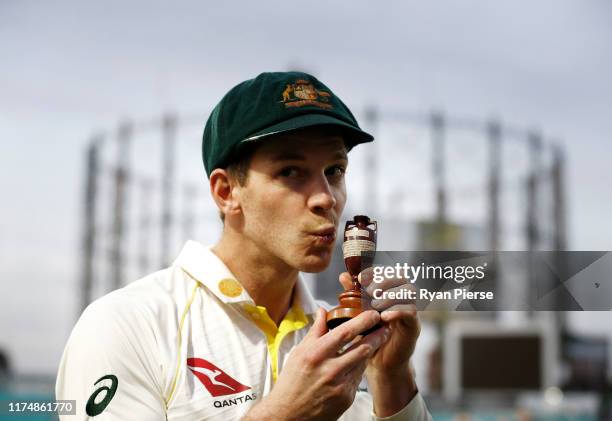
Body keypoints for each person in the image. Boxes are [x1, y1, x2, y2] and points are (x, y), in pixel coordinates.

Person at [56, 71, 431, 420]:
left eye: (334, 170)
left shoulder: (344, 335)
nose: (325, 198)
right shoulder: (130, 324)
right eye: (290, 172)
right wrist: (283, 415)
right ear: (226, 192)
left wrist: (391, 378)